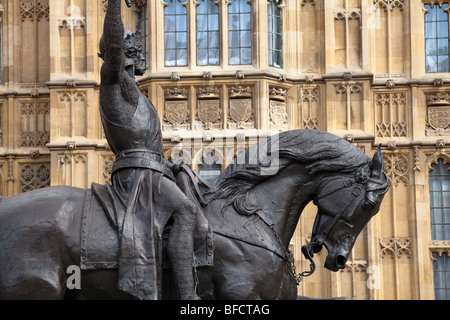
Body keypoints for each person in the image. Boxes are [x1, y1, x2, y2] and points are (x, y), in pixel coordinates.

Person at [98, 0, 199, 300]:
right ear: (123, 53)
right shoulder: (113, 82)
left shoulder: (134, 93)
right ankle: (188, 299)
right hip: (138, 178)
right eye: (135, 46)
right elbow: (113, 44)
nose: (141, 51)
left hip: (154, 172)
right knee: (186, 210)